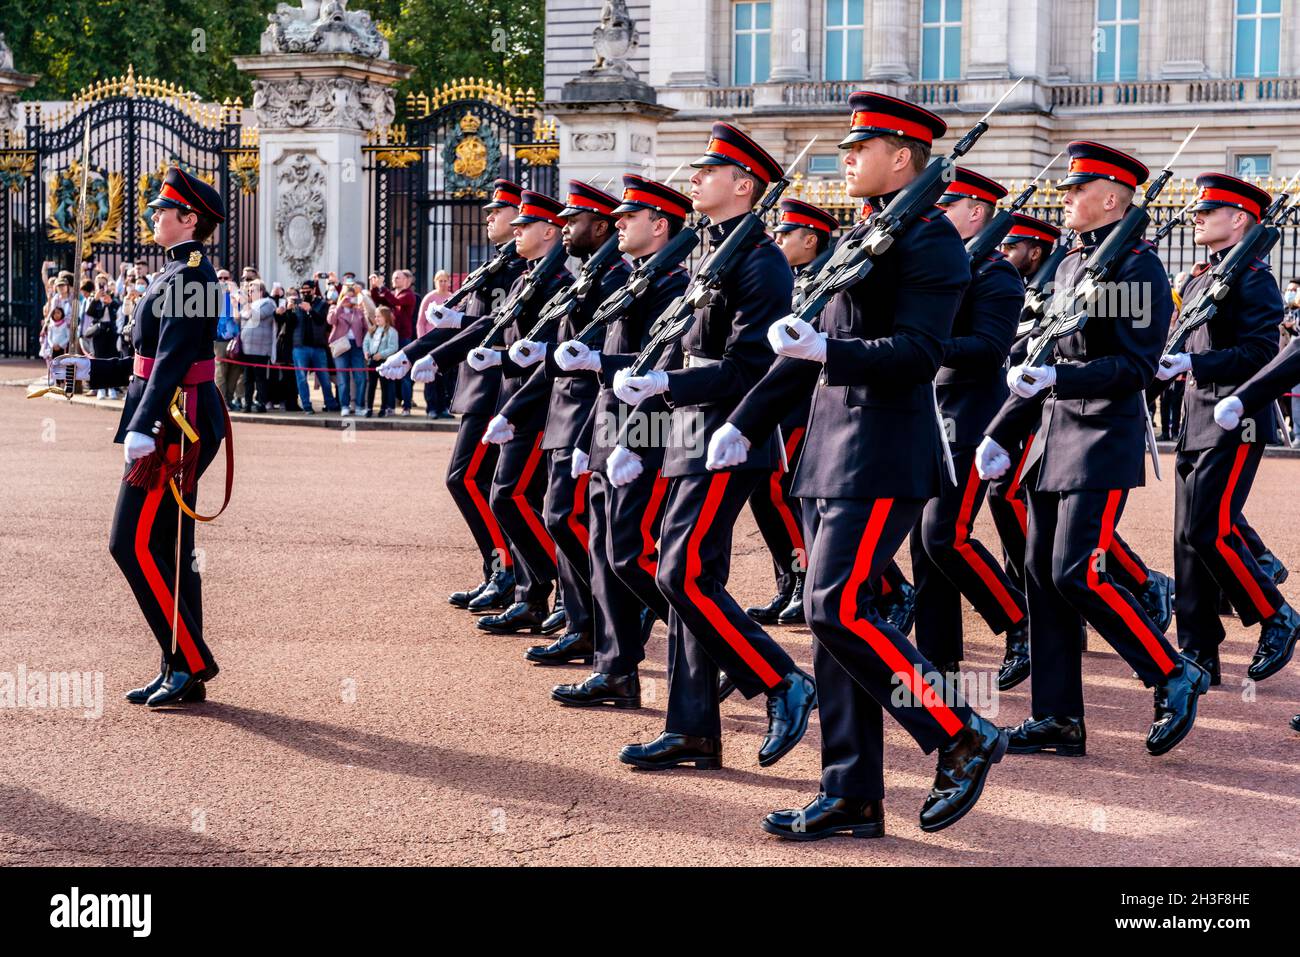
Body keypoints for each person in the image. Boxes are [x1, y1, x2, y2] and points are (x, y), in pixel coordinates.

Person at [717, 93, 1006, 838]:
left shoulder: (931, 242)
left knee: (835, 607)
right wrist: (743, 421)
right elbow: (799, 352)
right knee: (835, 625)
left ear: (902, 157)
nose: (844, 160)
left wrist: (828, 352)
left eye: (859, 149)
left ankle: (959, 729)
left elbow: (919, 354)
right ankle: (851, 791)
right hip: (830, 453)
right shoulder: (872, 233)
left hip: (883, 451)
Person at [979, 140, 1208, 759]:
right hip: (1054, 435)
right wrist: (1000, 430)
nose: (1068, 200)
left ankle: (1170, 670)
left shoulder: (1139, 268)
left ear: (1111, 198)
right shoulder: (1070, 264)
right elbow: (1047, 352)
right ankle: (1057, 717)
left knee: (1076, 570)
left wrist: (1060, 380)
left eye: (1078, 191)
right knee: (1040, 578)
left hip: (1103, 433)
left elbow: (1135, 367)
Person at [608, 123, 816, 773]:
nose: (694, 177)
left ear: (744, 184)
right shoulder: (709, 249)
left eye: (708, 170)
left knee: (681, 572)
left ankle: (782, 679)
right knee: (689, 579)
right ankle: (692, 727)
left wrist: (668, 382)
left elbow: (751, 365)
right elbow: (682, 343)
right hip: (690, 429)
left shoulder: (760, 260)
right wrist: (638, 426)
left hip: (732, 434)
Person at [50, 165, 229, 706]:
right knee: (171, 550)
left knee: (130, 542)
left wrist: (142, 426)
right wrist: (82, 371)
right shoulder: (173, 273)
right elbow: (144, 361)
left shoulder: (193, 276)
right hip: (169, 412)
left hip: (177, 420)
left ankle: (190, 659)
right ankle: (179, 666)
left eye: (162, 209)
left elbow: (174, 361)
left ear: (189, 217)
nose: (153, 215)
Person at [540, 174, 690, 697]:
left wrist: (600, 362)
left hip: (649, 426)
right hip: (609, 423)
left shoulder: (673, 284)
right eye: (617, 217)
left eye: (629, 218)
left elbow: (661, 363)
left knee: (632, 552)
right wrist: (588, 438)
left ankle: (704, 645)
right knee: (605, 550)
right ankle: (616, 667)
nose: (618, 225)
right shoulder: (636, 278)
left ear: (660, 225)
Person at [481, 180, 631, 657]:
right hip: (563, 408)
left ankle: (603, 620)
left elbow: (620, 355)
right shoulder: (589, 275)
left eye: (575, 221)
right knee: (561, 516)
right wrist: (513, 405)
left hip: (593, 412)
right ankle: (584, 620)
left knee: (574, 520)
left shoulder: (614, 278)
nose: (567, 228)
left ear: (599, 225)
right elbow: (559, 353)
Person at [1160, 173, 1298, 687]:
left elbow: (1262, 353)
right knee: (1185, 542)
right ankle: (1198, 653)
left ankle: (1274, 615)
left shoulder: (1253, 278)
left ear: (1239, 219)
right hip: (1198, 417)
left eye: (1206, 212)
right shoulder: (1200, 278)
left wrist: (1194, 363)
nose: (1196, 218)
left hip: (1234, 418)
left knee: (1207, 529)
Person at [383, 180, 528, 613]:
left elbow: (487, 327)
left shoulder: (517, 270)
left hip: (497, 387)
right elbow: (475, 323)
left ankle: (510, 573)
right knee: (476, 482)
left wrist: (425, 353)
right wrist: (417, 350)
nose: (488, 219)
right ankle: (502, 571)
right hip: (478, 384)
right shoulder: (498, 264)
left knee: (471, 480)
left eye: (496, 213)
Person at [912, 167, 1029, 684]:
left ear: (977, 213)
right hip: (930, 410)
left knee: (946, 535)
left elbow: (990, 348)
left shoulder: (996, 274)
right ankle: (940, 659)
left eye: (947, 208)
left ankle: (1020, 621)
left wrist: (926, 346)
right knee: (922, 541)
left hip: (972, 414)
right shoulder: (940, 264)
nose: (936, 216)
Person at [741, 198, 838, 630]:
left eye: (786, 234)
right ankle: (790, 579)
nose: (777, 239)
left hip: (802, 402)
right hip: (778, 399)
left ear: (811, 239)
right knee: (767, 492)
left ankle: (803, 580)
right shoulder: (797, 279)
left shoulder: (825, 279)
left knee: (783, 491)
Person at [288, 279, 338, 414]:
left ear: (314, 290)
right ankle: (307, 406)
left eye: (307, 291)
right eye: (302, 292)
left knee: (324, 378)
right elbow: (290, 324)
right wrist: (288, 310)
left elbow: (322, 321)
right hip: (299, 346)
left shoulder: (322, 304)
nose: (305, 294)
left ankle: (330, 404)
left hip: (318, 346)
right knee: (301, 378)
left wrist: (309, 309)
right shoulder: (296, 304)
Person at [371, 269, 417, 414]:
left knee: (404, 375)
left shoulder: (409, 295)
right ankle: (390, 406)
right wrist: (374, 287)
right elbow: (379, 300)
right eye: (393, 278)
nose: (395, 280)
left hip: (404, 338)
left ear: (407, 280)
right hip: (391, 337)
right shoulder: (393, 294)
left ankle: (407, 406)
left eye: (398, 278)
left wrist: (382, 287)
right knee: (390, 373)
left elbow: (395, 301)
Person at [415, 270, 455, 418]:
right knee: (431, 377)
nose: (443, 283)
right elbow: (420, 322)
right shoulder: (429, 298)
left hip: (446, 343)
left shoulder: (453, 297)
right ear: (435, 282)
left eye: (445, 280)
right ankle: (431, 408)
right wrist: (422, 342)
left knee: (445, 378)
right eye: (440, 281)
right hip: (431, 342)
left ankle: (444, 407)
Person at [327, 281, 369, 416]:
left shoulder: (358, 311)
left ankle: (359, 406)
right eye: (347, 296)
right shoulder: (334, 308)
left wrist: (362, 306)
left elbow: (366, 329)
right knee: (343, 378)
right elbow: (331, 321)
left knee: (360, 377)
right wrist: (340, 305)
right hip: (341, 346)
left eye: (352, 296)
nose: (349, 299)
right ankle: (344, 405)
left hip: (356, 345)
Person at [236, 278, 276, 413]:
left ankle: (261, 403)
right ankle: (247, 403)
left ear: (261, 291)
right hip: (247, 348)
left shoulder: (268, 303)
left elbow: (257, 316)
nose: (250, 293)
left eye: (253, 290)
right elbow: (241, 317)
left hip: (261, 348)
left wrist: (245, 303)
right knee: (248, 379)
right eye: (249, 290)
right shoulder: (250, 304)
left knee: (260, 378)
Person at [83, 280, 122, 399]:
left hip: (111, 333)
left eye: (103, 283)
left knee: (111, 360)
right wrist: (95, 299)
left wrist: (110, 303)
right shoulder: (94, 298)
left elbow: (119, 313)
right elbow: (89, 313)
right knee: (99, 360)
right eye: (99, 283)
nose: (102, 287)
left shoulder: (114, 298)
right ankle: (100, 388)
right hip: (99, 333)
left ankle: (111, 388)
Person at [364, 306, 400, 416]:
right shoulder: (372, 330)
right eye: (375, 316)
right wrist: (366, 352)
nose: (376, 318)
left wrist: (381, 354)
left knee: (385, 386)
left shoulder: (392, 332)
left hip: (384, 362)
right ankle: (369, 408)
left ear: (386, 317)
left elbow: (393, 347)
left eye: (379, 316)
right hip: (372, 362)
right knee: (371, 386)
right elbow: (365, 342)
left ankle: (383, 408)